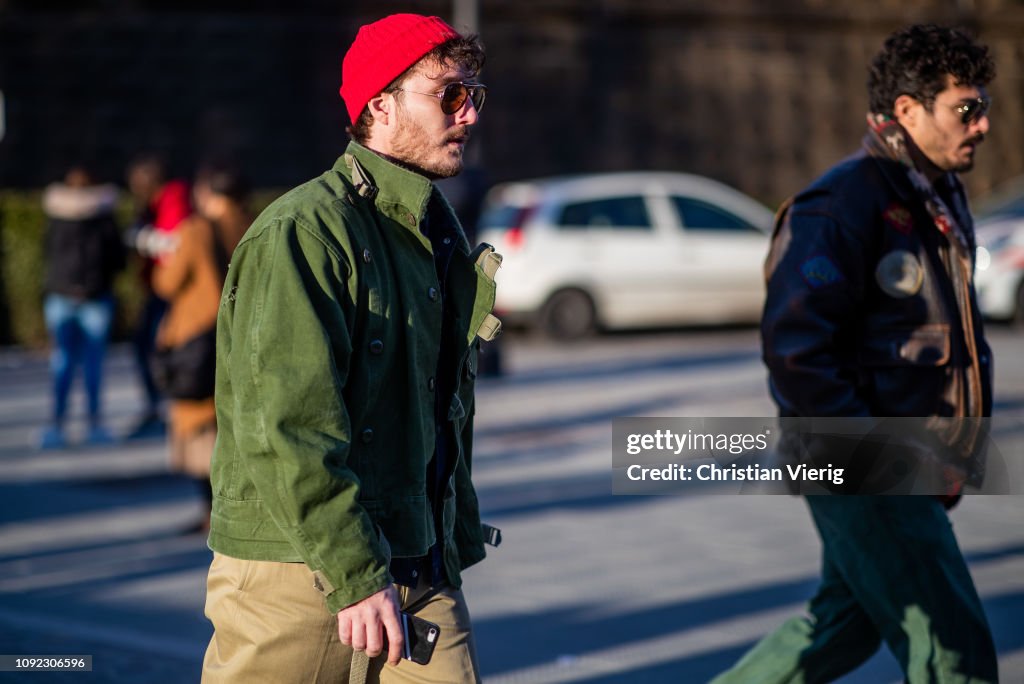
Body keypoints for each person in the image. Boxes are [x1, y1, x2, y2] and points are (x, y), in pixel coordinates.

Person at [202, 14, 501, 684]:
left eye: (473, 95)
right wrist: (354, 572)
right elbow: (287, 424)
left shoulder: (435, 230)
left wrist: (445, 541)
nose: (469, 115)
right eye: (448, 95)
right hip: (296, 569)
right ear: (380, 107)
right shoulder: (303, 231)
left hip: (417, 565)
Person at [712, 25, 998, 683]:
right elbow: (797, 350)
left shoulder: (935, 194)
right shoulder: (843, 203)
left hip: (903, 458)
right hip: (864, 461)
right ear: (907, 109)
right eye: (965, 109)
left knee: (840, 628)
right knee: (955, 653)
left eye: (982, 108)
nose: (981, 125)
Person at [151, 163, 250, 531]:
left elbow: (167, 282)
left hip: (198, 338)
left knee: (198, 428)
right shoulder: (255, 223)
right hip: (238, 334)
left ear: (209, 192)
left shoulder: (195, 230)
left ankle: (212, 512)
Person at [38, 165, 126, 448]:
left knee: (62, 362)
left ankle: (57, 424)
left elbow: (47, 252)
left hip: (61, 294)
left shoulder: (56, 216)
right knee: (91, 364)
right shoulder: (103, 216)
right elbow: (117, 258)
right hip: (95, 296)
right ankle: (94, 422)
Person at [124, 153, 192, 438]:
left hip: (171, 290)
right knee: (145, 346)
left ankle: (167, 406)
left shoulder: (174, 197)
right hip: (157, 287)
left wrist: (144, 239)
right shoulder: (155, 202)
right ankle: (157, 405)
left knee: (158, 348)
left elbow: (176, 243)